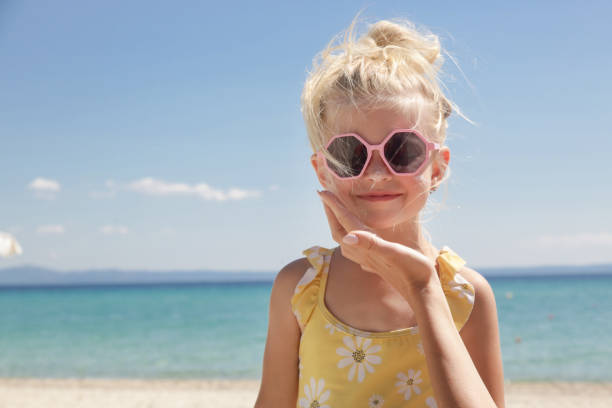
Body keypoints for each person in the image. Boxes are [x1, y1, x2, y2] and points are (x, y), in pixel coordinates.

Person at [255, 16, 505, 408]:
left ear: (436, 167)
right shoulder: (300, 287)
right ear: (323, 170)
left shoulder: (465, 294)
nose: (374, 173)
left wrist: (423, 289)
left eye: (402, 150)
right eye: (350, 154)